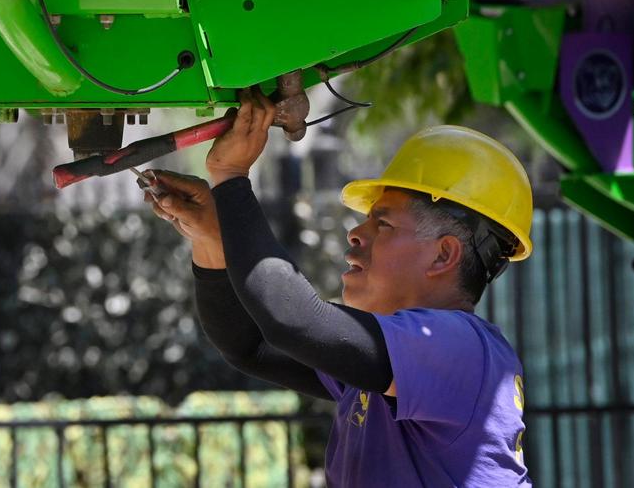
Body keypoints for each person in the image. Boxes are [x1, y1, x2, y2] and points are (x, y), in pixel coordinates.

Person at [144, 88, 533, 487]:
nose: (355, 233)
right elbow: (250, 346)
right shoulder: (398, 364)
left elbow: (293, 320)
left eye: (383, 223)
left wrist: (232, 179)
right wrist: (214, 239)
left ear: (443, 255)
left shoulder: (460, 348)